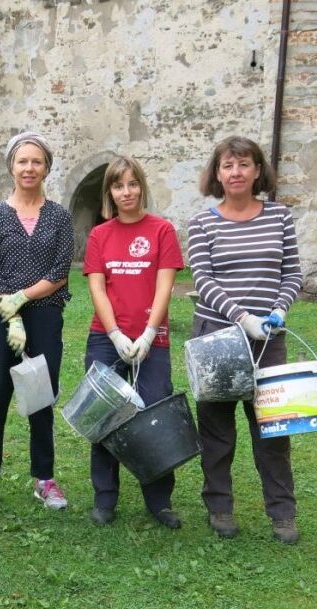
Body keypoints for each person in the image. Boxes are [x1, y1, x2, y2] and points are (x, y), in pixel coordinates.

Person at [187, 135, 303, 544]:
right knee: (217, 431)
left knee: (273, 430)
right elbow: (203, 279)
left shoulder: (280, 218)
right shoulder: (203, 223)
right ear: (217, 174)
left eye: (243, 164)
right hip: (216, 337)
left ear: (258, 171)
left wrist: (279, 310)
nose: (235, 172)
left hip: (268, 340)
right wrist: (240, 317)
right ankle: (219, 507)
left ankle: (282, 512)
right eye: (227, 166)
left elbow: (292, 273)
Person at [82, 156, 185, 529]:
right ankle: (105, 497)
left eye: (132, 184)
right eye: (117, 185)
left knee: (155, 417)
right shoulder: (100, 235)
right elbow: (97, 286)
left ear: (141, 185)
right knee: (105, 416)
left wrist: (147, 332)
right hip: (106, 339)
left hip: (150, 341)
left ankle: (159, 501)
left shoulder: (162, 230)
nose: (126, 192)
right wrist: (114, 333)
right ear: (110, 192)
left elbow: (165, 285)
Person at [0, 131, 73, 511]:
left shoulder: (60, 217)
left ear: (46, 167)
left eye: (36, 161)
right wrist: (11, 313)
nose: (29, 168)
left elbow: (61, 270)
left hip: (45, 315)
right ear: (11, 167)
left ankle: (45, 478)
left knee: (40, 397)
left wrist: (24, 298)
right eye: (22, 161)